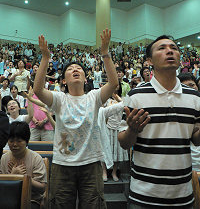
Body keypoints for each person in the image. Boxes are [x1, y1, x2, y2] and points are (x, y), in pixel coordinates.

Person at [33, 29, 118, 209]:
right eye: (70, 69)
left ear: (85, 77)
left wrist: (105, 53)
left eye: (79, 68)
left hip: (91, 163)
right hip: (62, 165)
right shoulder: (59, 99)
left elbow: (113, 83)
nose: (75, 70)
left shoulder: (93, 97)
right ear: (64, 81)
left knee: (93, 205)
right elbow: (38, 90)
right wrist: (45, 58)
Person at [118, 35, 200, 208]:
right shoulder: (136, 96)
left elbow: (196, 139)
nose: (169, 51)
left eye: (173, 48)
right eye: (161, 48)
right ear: (149, 60)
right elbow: (124, 143)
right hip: (143, 195)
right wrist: (132, 130)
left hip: (183, 195)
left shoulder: (194, 96)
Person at [0, 121, 47, 209]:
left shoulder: (36, 158)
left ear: (27, 141)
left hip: (32, 200)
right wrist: (12, 177)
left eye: (19, 141)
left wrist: (24, 177)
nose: (14, 144)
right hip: (8, 199)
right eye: (11, 141)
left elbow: (42, 188)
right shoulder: (4, 158)